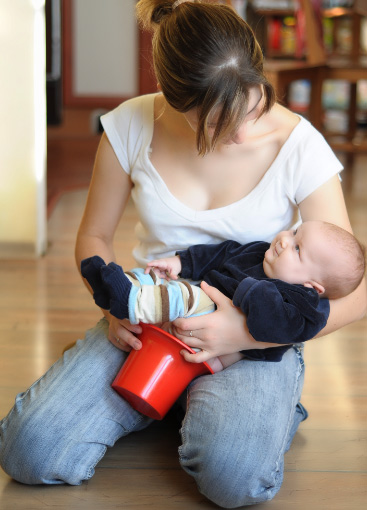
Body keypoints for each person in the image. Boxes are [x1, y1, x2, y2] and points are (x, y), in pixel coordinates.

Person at [0, 0, 366, 507]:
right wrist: (112, 305)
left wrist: (245, 334)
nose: (243, 130)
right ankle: (178, 400)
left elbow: (357, 292)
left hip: (255, 337)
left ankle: (236, 403)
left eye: (253, 103)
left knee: (233, 480)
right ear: (175, 103)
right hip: (152, 316)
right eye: (219, 120)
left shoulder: (300, 148)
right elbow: (94, 240)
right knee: (29, 453)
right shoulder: (130, 125)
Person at [80, 220, 365, 371]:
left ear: (312, 286)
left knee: (184, 295)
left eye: (298, 248)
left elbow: (277, 327)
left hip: (221, 323)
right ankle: (118, 288)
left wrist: (251, 287)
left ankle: (131, 300)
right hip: (203, 306)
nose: (284, 240)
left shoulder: (301, 306)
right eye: (294, 231)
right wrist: (182, 263)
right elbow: (221, 252)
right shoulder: (260, 252)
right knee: (159, 277)